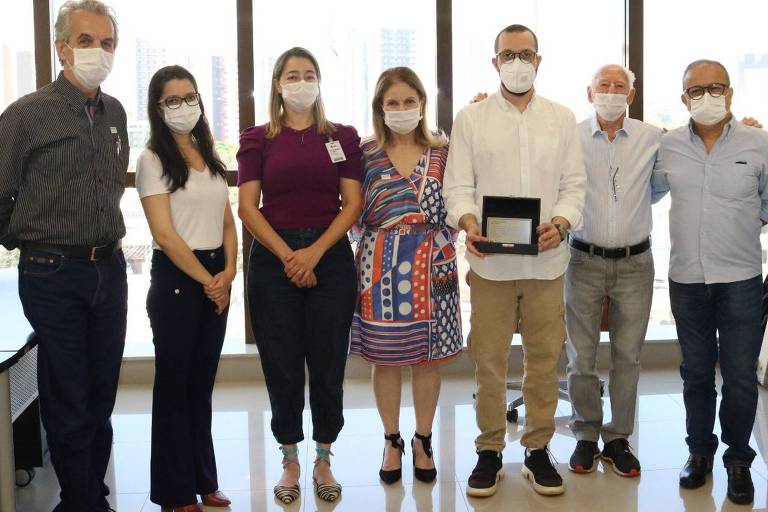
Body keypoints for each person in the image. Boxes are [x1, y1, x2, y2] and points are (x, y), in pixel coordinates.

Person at [443, 24, 586, 498]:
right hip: (491, 265)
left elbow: (573, 186)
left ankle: (538, 449)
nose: (517, 62)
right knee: (488, 359)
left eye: (526, 54)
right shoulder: (471, 117)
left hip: (547, 262)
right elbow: (458, 185)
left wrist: (561, 223)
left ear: (539, 61)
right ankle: (489, 449)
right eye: (508, 54)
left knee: (545, 361)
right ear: (494, 62)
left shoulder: (562, 118)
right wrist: (468, 221)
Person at [0, 2, 127, 510]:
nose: (98, 52)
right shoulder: (25, 115)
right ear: (61, 48)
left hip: (109, 270)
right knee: (70, 397)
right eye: (87, 40)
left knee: (101, 396)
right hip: (52, 272)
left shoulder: (115, 112)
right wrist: (29, 242)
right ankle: (84, 503)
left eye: (107, 42)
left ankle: (86, 493)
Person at [237, 47, 362, 504]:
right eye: (293, 75)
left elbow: (352, 206)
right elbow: (248, 207)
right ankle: (289, 458)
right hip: (273, 259)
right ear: (277, 83)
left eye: (310, 74)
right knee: (282, 365)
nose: (302, 82)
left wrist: (313, 254)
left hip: (328, 257)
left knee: (328, 363)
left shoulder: (342, 136)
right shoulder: (257, 138)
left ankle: (324, 455)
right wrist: (291, 255)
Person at [652, 59, 768, 506]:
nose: (706, 96)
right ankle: (699, 453)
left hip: (740, 277)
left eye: (715, 87)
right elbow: (644, 192)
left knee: (739, 376)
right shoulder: (668, 147)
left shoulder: (759, 143)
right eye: (695, 90)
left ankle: (739, 459)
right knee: (696, 374)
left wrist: (745, 222)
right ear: (684, 99)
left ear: (731, 93)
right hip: (687, 279)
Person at [349, 67, 462, 485]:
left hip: (435, 266)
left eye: (408, 101)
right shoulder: (364, 153)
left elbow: (460, 198)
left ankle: (423, 439)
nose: (401, 109)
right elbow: (352, 213)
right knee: (386, 357)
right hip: (379, 266)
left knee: (427, 358)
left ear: (421, 104)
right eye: (392, 103)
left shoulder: (444, 150)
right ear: (380, 108)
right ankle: (391, 439)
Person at [136, 65, 236, 512]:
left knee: (201, 387)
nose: (184, 106)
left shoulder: (206, 152)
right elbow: (164, 234)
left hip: (216, 274)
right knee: (174, 388)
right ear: (158, 108)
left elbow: (227, 219)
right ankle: (175, 492)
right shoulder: (152, 160)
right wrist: (208, 281)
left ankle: (204, 480)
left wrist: (229, 273)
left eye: (189, 96)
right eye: (172, 100)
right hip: (180, 279)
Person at [564, 64, 661, 477]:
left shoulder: (653, 138)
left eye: (619, 86)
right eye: (603, 85)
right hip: (582, 260)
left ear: (631, 96)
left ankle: (619, 436)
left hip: (635, 263)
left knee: (628, 357)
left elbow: (668, 178)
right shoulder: (569, 138)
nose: (611, 91)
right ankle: (586, 434)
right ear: (589, 94)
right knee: (581, 357)